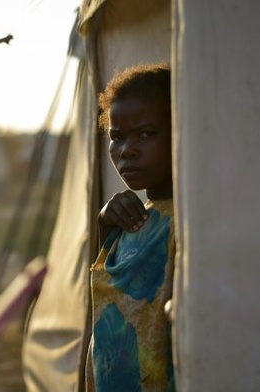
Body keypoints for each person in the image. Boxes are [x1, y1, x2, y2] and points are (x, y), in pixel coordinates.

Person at [87, 63, 175, 391]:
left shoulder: (192, 223)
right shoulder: (134, 216)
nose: (128, 150)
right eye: (117, 137)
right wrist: (105, 229)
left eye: (146, 133)